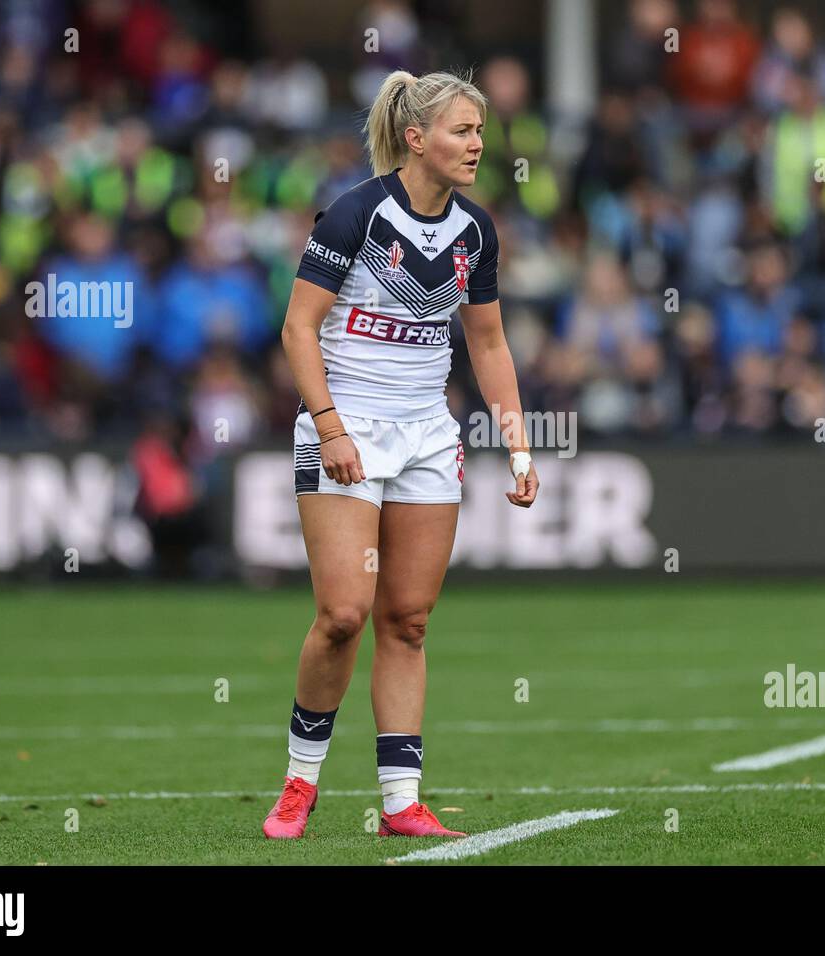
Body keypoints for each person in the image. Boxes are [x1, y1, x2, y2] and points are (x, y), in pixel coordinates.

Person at [265, 70, 539, 840]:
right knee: (343, 614)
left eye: (482, 131)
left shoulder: (477, 230)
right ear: (416, 138)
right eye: (463, 131)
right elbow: (297, 327)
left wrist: (517, 442)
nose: (479, 144)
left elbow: (487, 341)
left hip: (428, 436)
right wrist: (329, 426)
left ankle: (400, 802)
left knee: (409, 621)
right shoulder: (355, 213)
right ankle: (299, 783)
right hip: (345, 426)